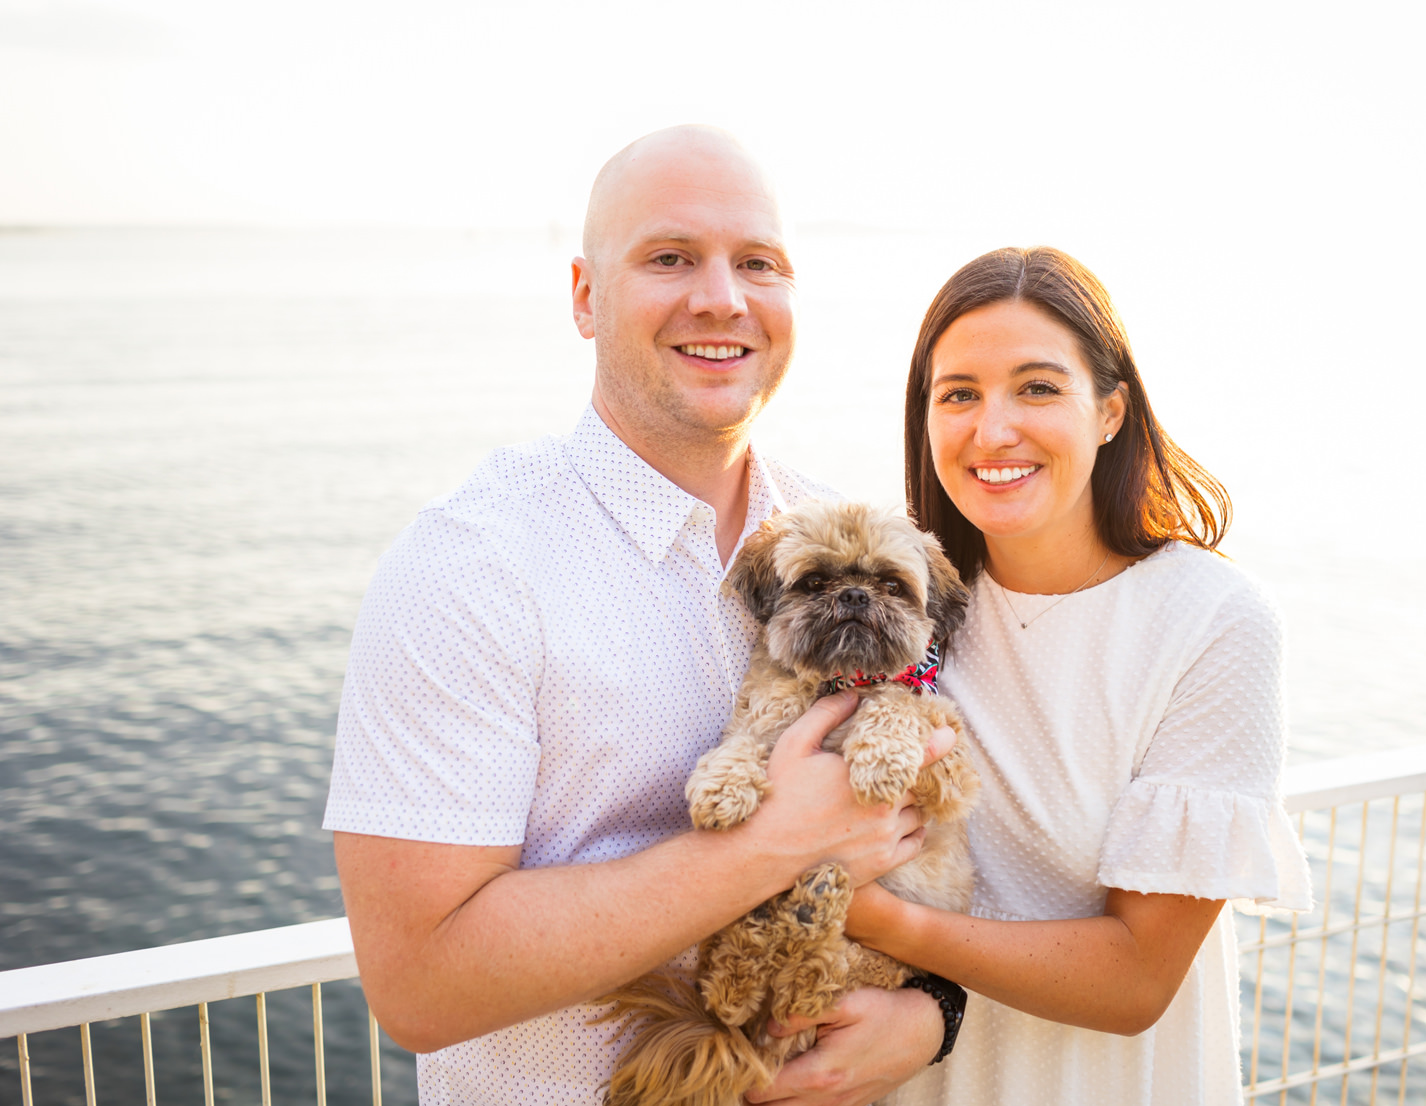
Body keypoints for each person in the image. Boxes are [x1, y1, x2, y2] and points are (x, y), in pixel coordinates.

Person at [322, 125, 955, 1105]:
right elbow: (417, 982)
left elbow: (947, 833)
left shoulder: (845, 549)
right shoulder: (467, 567)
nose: (722, 297)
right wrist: (766, 845)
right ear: (584, 295)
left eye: (759, 263)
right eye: (670, 257)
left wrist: (934, 1013)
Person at [816, 246, 1313, 1103]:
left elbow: (1133, 982)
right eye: (959, 394)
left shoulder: (1209, 621)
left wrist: (875, 921)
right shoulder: (896, 599)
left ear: (1111, 410)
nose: (993, 429)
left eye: (1038, 388)